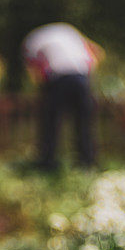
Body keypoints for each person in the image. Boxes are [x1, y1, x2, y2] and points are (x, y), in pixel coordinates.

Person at [22, 22, 104, 170]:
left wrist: (41, 91)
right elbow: (97, 51)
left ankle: (47, 163)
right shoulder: (69, 30)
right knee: (84, 123)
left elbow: (34, 72)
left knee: (51, 122)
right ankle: (88, 164)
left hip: (58, 79)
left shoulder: (31, 41)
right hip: (82, 77)